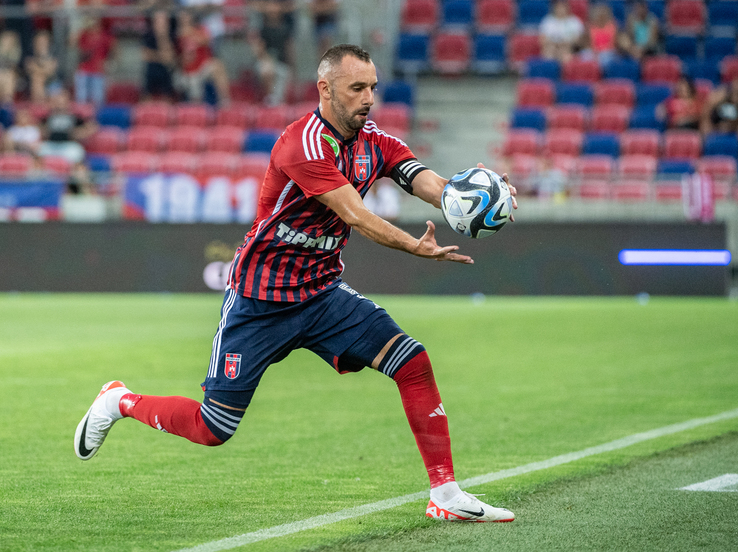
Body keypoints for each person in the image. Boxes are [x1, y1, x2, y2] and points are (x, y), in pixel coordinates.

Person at [74, 44, 518, 523]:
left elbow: (424, 180)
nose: (369, 98)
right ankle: (119, 401)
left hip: (321, 293)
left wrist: (473, 196)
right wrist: (415, 246)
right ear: (325, 89)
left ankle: (446, 495)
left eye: (373, 87)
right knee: (213, 427)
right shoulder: (302, 145)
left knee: (412, 362)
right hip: (259, 299)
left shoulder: (376, 141)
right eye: (357, 88)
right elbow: (356, 215)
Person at [174, 9, 230, 105]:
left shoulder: (200, 28)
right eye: (182, 15)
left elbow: (207, 40)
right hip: (187, 71)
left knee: (217, 65)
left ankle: (225, 101)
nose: (184, 18)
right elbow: (176, 57)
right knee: (195, 98)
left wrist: (190, 32)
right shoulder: (176, 34)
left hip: (202, 67)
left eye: (186, 15)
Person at [72, 17, 115, 106]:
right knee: (81, 99)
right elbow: (71, 42)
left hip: (98, 71)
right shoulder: (84, 34)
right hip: (83, 70)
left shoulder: (105, 36)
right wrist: (83, 27)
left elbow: (115, 49)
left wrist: (108, 62)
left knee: (98, 100)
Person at [540, 0, 585, 64]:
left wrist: (566, 43)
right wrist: (556, 44)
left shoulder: (574, 21)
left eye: (562, 7)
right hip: (553, 48)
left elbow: (580, 40)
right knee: (549, 50)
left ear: (567, 8)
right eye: (558, 7)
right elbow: (542, 40)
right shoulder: (548, 21)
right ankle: (550, 66)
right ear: (554, 8)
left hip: (569, 48)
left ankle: (567, 66)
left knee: (565, 52)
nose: (560, 9)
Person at [25, 30, 60, 103]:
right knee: (37, 78)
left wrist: (38, 68)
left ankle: (40, 103)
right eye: (39, 41)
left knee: (38, 76)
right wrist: (44, 69)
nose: (41, 44)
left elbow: (50, 71)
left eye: (44, 41)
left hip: (52, 83)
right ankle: (39, 104)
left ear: (48, 43)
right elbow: (29, 67)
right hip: (33, 83)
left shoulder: (54, 54)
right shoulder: (29, 54)